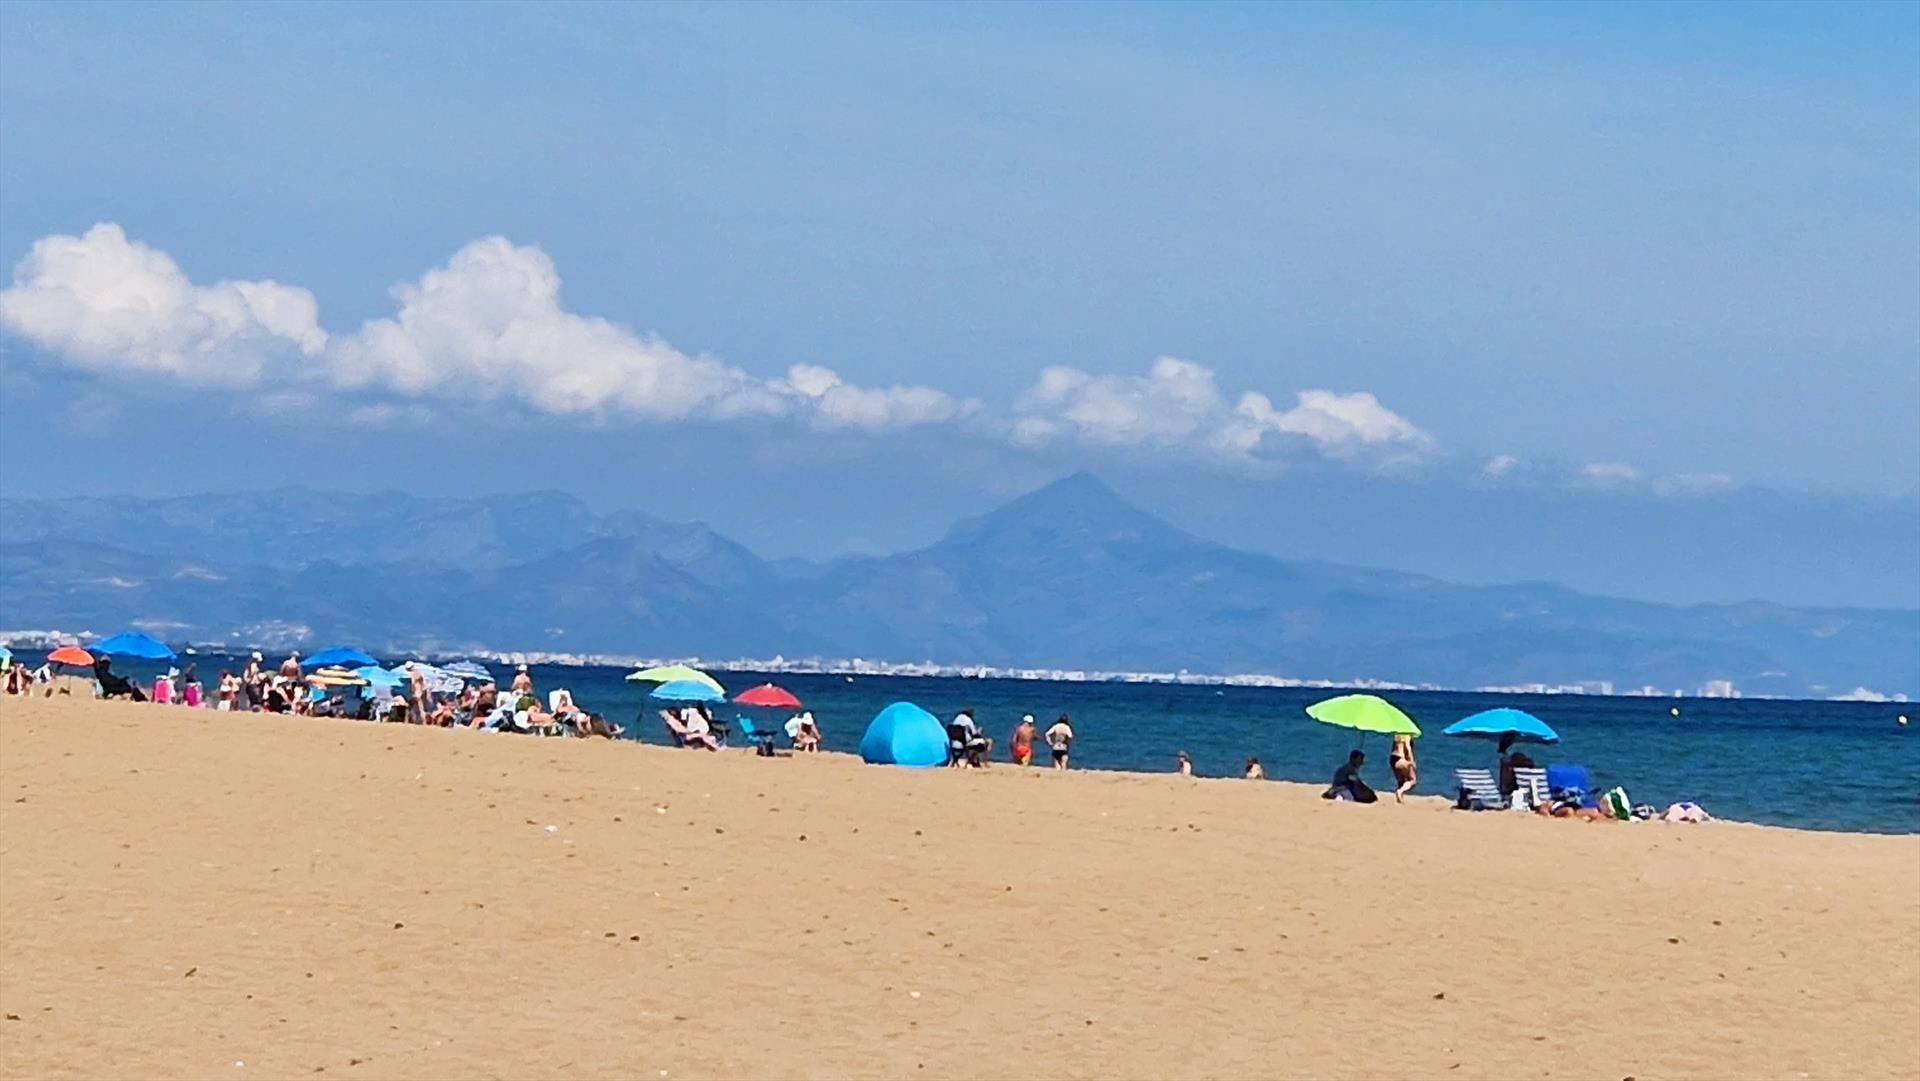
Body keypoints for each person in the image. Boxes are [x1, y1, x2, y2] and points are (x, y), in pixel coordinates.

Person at [1497, 733, 1536, 798]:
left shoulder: (1507, 762)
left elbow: (1505, 788)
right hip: (1528, 793)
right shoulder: (1528, 764)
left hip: (1512, 792)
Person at [1389, 732, 1417, 802]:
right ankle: (1400, 791)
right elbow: (1408, 748)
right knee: (1412, 780)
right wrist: (1411, 761)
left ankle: (1400, 798)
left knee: (1401, 780)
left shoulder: (1397, 734)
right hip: (1401, 758)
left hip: (1393, 759)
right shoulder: (1406, 735)